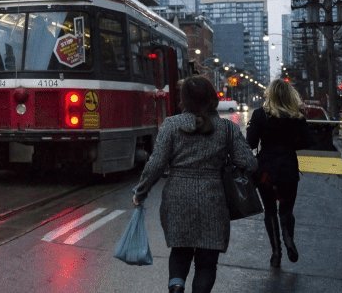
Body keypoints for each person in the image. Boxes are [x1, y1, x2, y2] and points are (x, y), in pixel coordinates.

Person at [132, 76, 257, 293]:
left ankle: (176, 287)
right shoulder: (227, 129)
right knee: (207, 261)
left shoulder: (171, 124)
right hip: (214, 199)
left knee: (180, 251)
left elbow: (156, 164)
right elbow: (249, 163)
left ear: (185, 100)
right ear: (213, 98)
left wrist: (141, 192)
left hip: (177, 197)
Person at [246, 78, 313, 268]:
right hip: (288, 169)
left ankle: (276, 252)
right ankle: (289, 239)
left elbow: (250, 143)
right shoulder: (297, 117)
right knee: (286, 209)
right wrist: (290, 145)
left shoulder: (260, 115)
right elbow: (308, 141)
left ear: (270, 94)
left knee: (270, 211)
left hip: (266, 170)